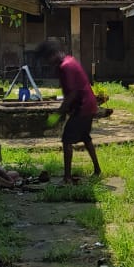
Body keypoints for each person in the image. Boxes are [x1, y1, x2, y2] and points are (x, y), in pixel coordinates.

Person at [39, 38, 102, 183]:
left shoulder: (65, 66)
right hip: (89, 104)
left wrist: (59, 112)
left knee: (67, 140)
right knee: (85, 138)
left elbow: (72, 93)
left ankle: (67, 177)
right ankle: (97, 169)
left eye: (48, 58)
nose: (48, 62)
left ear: (52, 54)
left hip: (83, 106)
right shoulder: (69, 60)